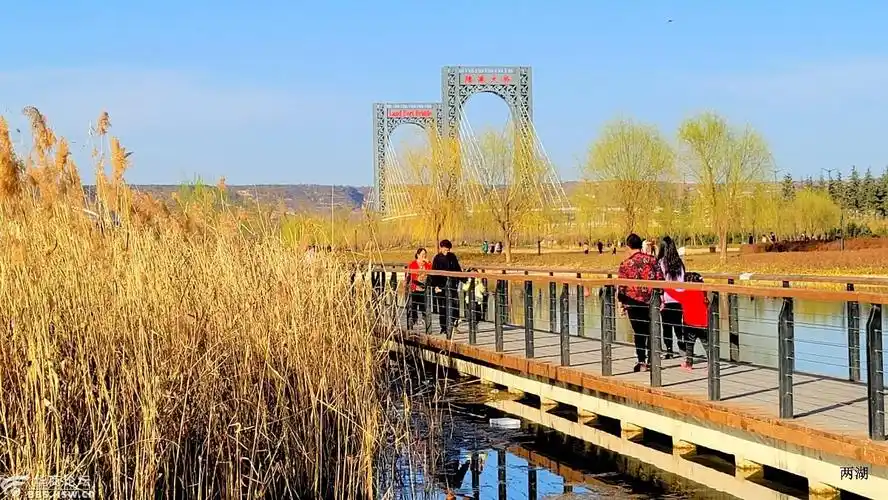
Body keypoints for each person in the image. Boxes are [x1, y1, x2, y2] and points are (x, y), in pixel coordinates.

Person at [617, 233, 665, 372]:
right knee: (651, 330)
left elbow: (622, 287)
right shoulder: (652, 260)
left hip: (633, 301)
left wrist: (621, 304)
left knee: (639, 332)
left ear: (628, 247)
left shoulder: (625, 264)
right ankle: (652, 360)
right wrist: (661, 297)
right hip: (651, 300)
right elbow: (660, 279)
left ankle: (641, 361)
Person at [670, 272, 709, 371]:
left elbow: (675, 294)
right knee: (707, 345)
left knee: (689, 344)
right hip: (703, 323)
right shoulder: (703, 292)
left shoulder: (686, 293)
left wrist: (666, 287)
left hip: (690, 323)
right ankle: (711, 364)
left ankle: (689, 364)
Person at [657, 236, 686, 359]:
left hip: (666, 298)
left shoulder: (661, 263)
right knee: (678, 324)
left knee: (666, 326)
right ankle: (682, 347)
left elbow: (660, 280)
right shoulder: (679, 263)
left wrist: (661, 298)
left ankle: (669, 350)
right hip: (679, 298)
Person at [430, 239, 462, 336]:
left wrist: (463, 278)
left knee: (454, 305)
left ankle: (454, 325)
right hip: (441, 285)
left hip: (452, 285)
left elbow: (457, 269)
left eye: (448, 250)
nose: (447, 251)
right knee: (442, 306)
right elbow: (434, 273)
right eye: (445, 249)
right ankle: (444, 327)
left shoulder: (452, 257)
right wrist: (435, 286)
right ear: (441, 248)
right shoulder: (437, 258)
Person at [405, 247, 432, 330]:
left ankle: (426, 323)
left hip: (424, 288)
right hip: (414, 288)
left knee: (424, 306)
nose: (424, 256)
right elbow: (409, 275)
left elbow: (432, 270)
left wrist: (429, 262)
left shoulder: (426, 264)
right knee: (413, 305)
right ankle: (412, 322)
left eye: (425, 254)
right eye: (422, 254)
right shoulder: (413, 264)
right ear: (418, 255)